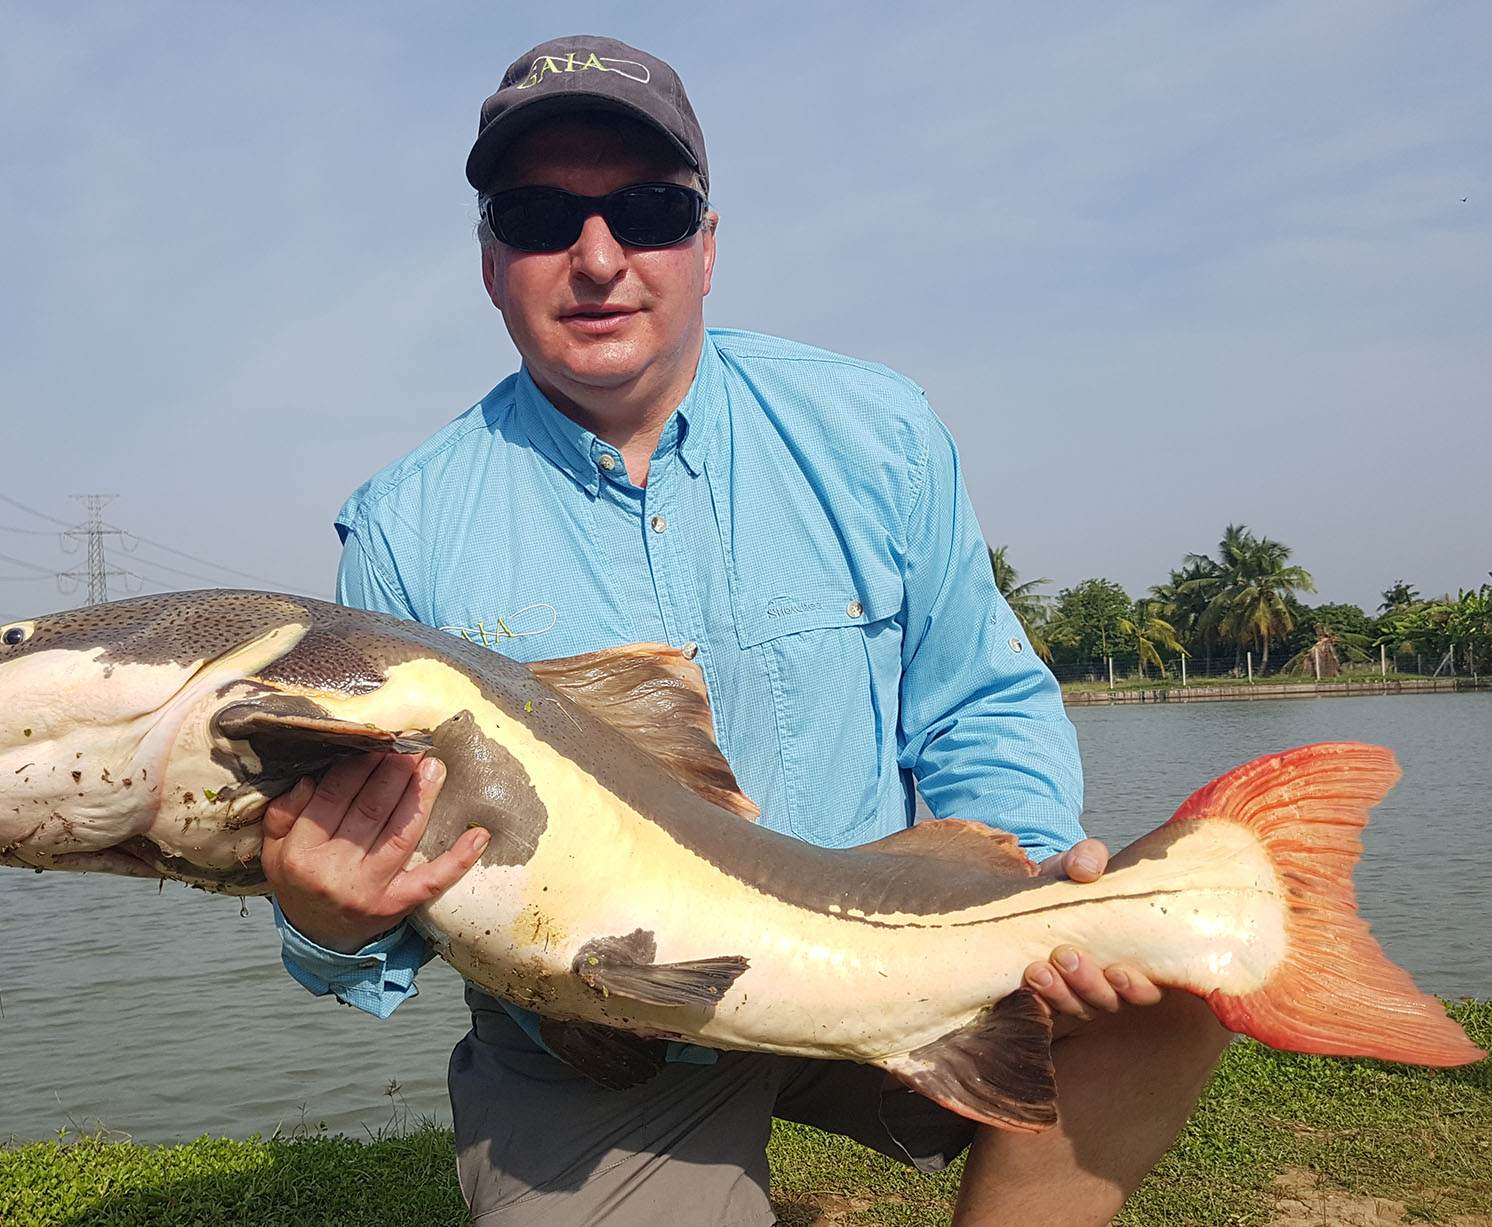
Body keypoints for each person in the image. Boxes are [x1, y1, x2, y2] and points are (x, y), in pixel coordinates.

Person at [261, 35, 1230, 1227]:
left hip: (888, 944)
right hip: (600, 1027)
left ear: (708, 247)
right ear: (489, 260)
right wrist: (325, 916)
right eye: (540, 214)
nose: (599, 257)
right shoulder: (407, 527)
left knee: (1161, 980)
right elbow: (381, 867)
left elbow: (980, 701)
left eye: (649, 210)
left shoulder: (877, 433)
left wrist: (1021, 894)